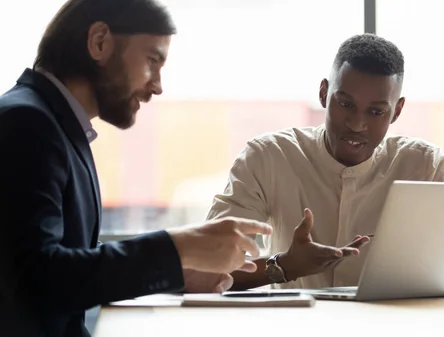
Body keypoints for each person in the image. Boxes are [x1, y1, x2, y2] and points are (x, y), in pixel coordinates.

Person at [0, 1, 271, 337]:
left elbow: (69, 262)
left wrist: (177, 271)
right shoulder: (27, 122)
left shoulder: (54, 125)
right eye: (152, 61)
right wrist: (177, 246)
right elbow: (37, 279)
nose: (157, 86)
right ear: (99, 42)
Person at [206, 34, 444, 291]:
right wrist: (284, 266)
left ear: (397, 111)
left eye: (376, 112)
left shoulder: (426, 166)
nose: (357, 123)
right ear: (324, 93)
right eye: (345, 104)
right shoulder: (268, 157)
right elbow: (209, 266)